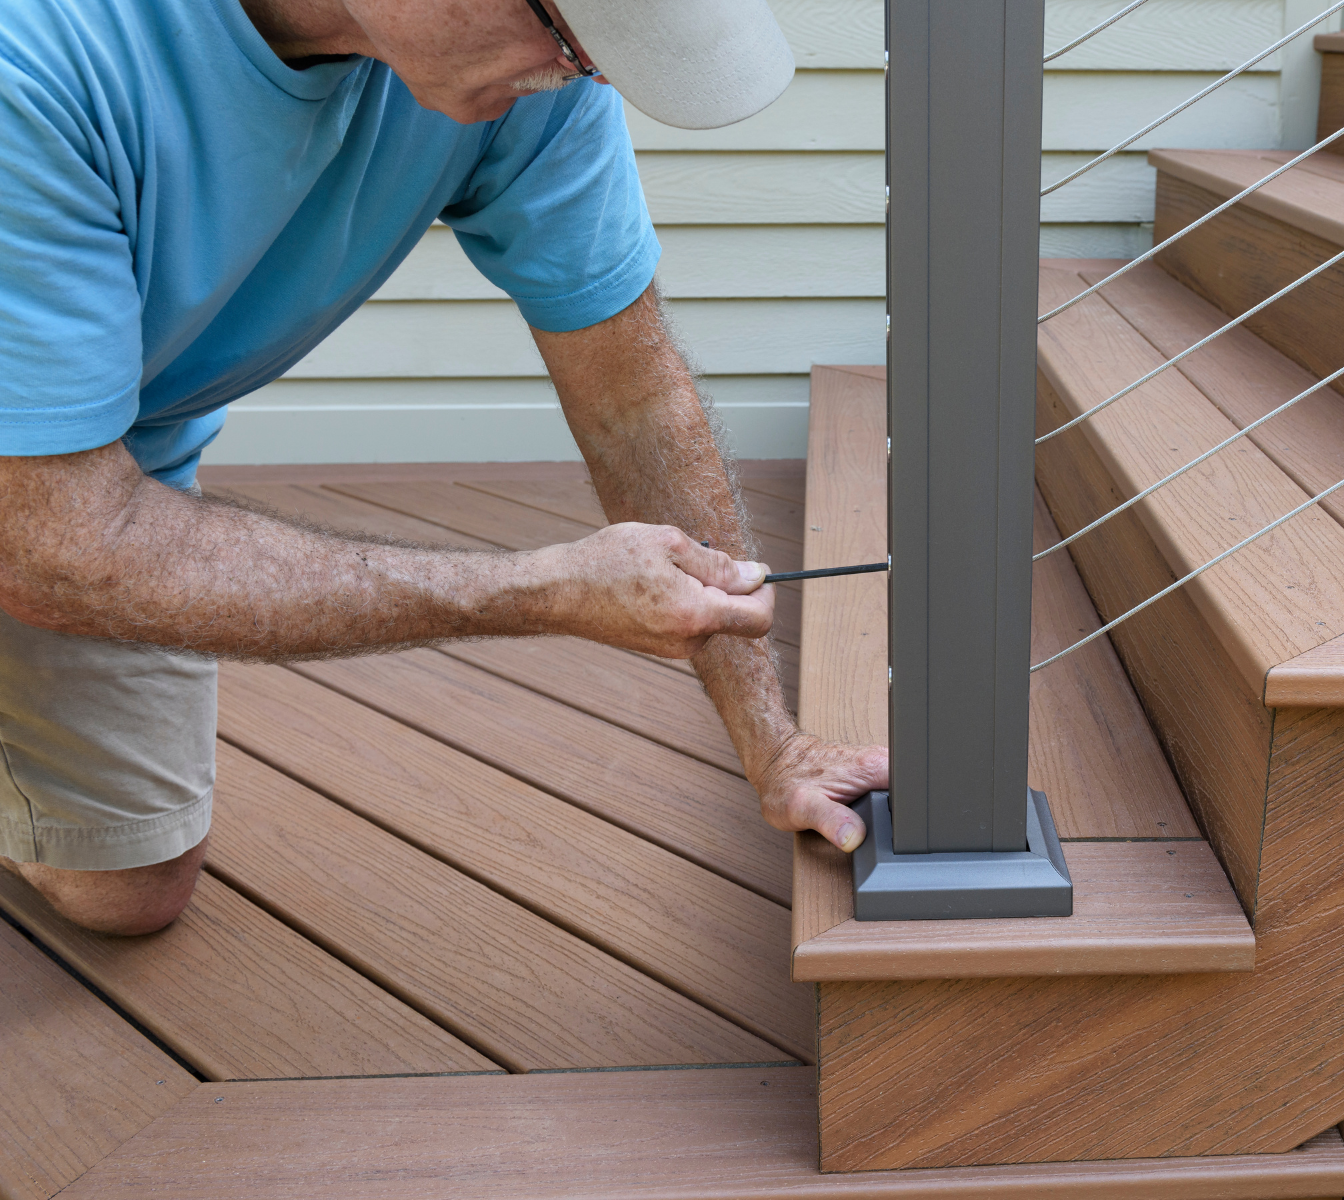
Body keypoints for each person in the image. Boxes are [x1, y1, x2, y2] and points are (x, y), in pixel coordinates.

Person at [0, 0, 886, 935]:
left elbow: (633, 394)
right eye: (576, 40)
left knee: (128, 892)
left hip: (89, 465)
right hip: (53, 510)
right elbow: (56, 546)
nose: (591, 74)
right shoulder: (40, 63)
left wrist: (775, 745)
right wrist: (529, 590)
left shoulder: (544, 84)